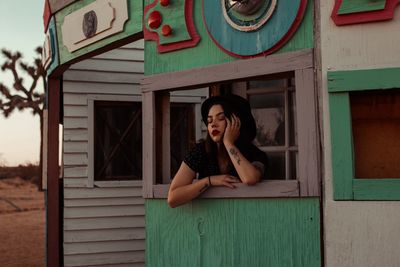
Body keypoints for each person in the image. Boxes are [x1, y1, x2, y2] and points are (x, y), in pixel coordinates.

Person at [167, 94, 268, 208]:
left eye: (220, 118)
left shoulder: (255, 154)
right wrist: (209, 181)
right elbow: (173, 198)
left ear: (236, 122)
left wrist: (228, 143)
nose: (213, 124)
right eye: (209, 121)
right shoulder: (201, 151)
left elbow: (250, 178)